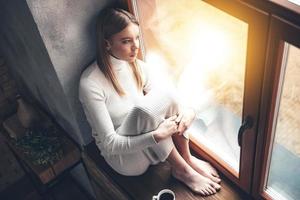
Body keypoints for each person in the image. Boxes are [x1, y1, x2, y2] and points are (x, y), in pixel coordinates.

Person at [79, 8, 221, 196]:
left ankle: (187, 159)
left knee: (165, 94)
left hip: (153, 147)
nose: (135, 46)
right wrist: (156, 136)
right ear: (107, 44)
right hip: (126, 160)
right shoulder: (90, 83)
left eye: (136, 38)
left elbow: (169, 97)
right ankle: (182, 170)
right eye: (126, 41)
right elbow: (110, 145)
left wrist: (189, 112)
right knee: (144, 112)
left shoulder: (134, 65)